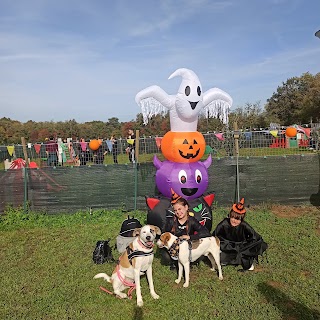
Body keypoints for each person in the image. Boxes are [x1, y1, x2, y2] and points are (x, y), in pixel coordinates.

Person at [212, 198, 268, 271]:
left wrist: (245, 246)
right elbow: (214, 236)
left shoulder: (244, 225)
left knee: (245, 252)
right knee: (220, 257)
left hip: (241, 247)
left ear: (241, 220)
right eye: (233, 217)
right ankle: (231, 260)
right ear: (229, 216)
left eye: (238, 219)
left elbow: (255, 237)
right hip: (228, 246)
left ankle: (246, 262)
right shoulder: (223, 224)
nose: (234, 221)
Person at [162, 189, 211, 269]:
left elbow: (205, 232)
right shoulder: (171, 221)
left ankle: (187, 261)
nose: (178, 212)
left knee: (197, 254)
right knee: (165, 256)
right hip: (175, 248)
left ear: (186, 207)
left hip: (188, 248)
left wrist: (190, 237)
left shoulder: (192, 220)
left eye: (180, 209)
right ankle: (175, 262)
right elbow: (164, 234)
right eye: (175, 210)